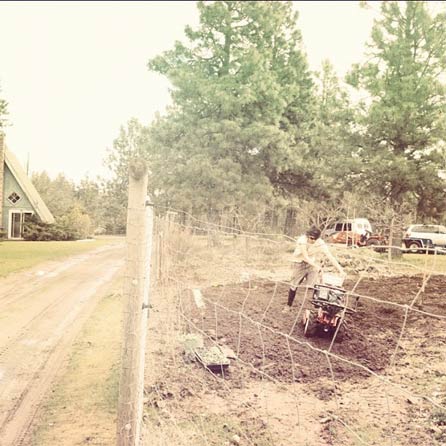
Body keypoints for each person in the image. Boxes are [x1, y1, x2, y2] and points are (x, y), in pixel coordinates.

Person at [282, 225, 345, 313]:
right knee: (294, 285)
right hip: (299, 263)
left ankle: (318, 308)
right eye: (310, 238)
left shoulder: (320, 243)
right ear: (307, 236)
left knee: (316, 285)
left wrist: (340, 270)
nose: (312, 240)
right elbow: (305, 256)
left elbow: (330, 256)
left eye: (314, 239)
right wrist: (317, 266)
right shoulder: (302, 240)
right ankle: (288, 305)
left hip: (311, 265)